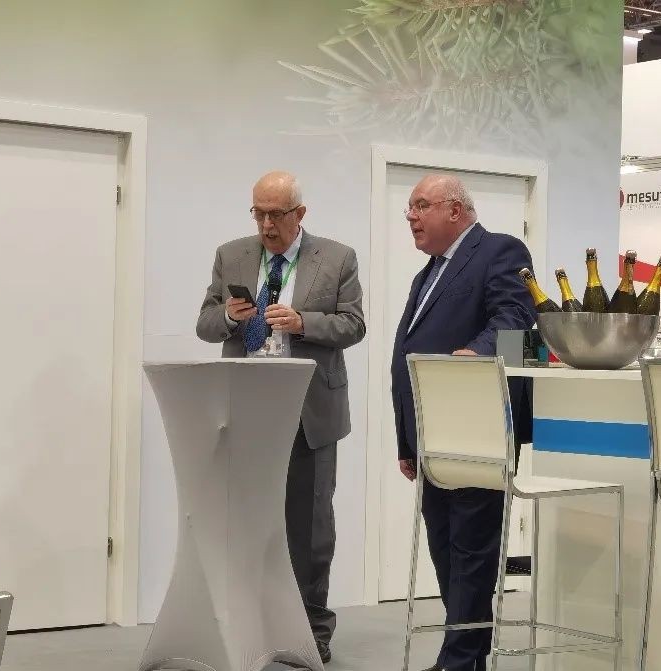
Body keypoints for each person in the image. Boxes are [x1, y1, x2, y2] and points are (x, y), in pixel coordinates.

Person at [196, 171, 365, 664]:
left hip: (309, 410)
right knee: (245, 522)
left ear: (300, 214)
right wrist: (230, 317)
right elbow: (205, 323)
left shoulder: (337, 258)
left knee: (309, 528)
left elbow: (353, 325)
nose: (267, 225)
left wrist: (302, 322)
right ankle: (248, 625)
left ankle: (310, 631)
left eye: (276, 215)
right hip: (246, 410)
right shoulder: (232, 254)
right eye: (259, 213)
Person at [390, 174, 537, 671]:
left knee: (472, 549)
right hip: (433, 435)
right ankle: (464, 655)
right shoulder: (429, 272)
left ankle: (460, 659)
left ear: (455, 210)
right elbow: (407, 354)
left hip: (479, 426)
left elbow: (516, 317)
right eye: (409, 208)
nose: (411, 216)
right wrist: (406, 440)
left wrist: (476, 352)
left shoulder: (500, 251)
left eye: (421, 205)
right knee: (444, 548)